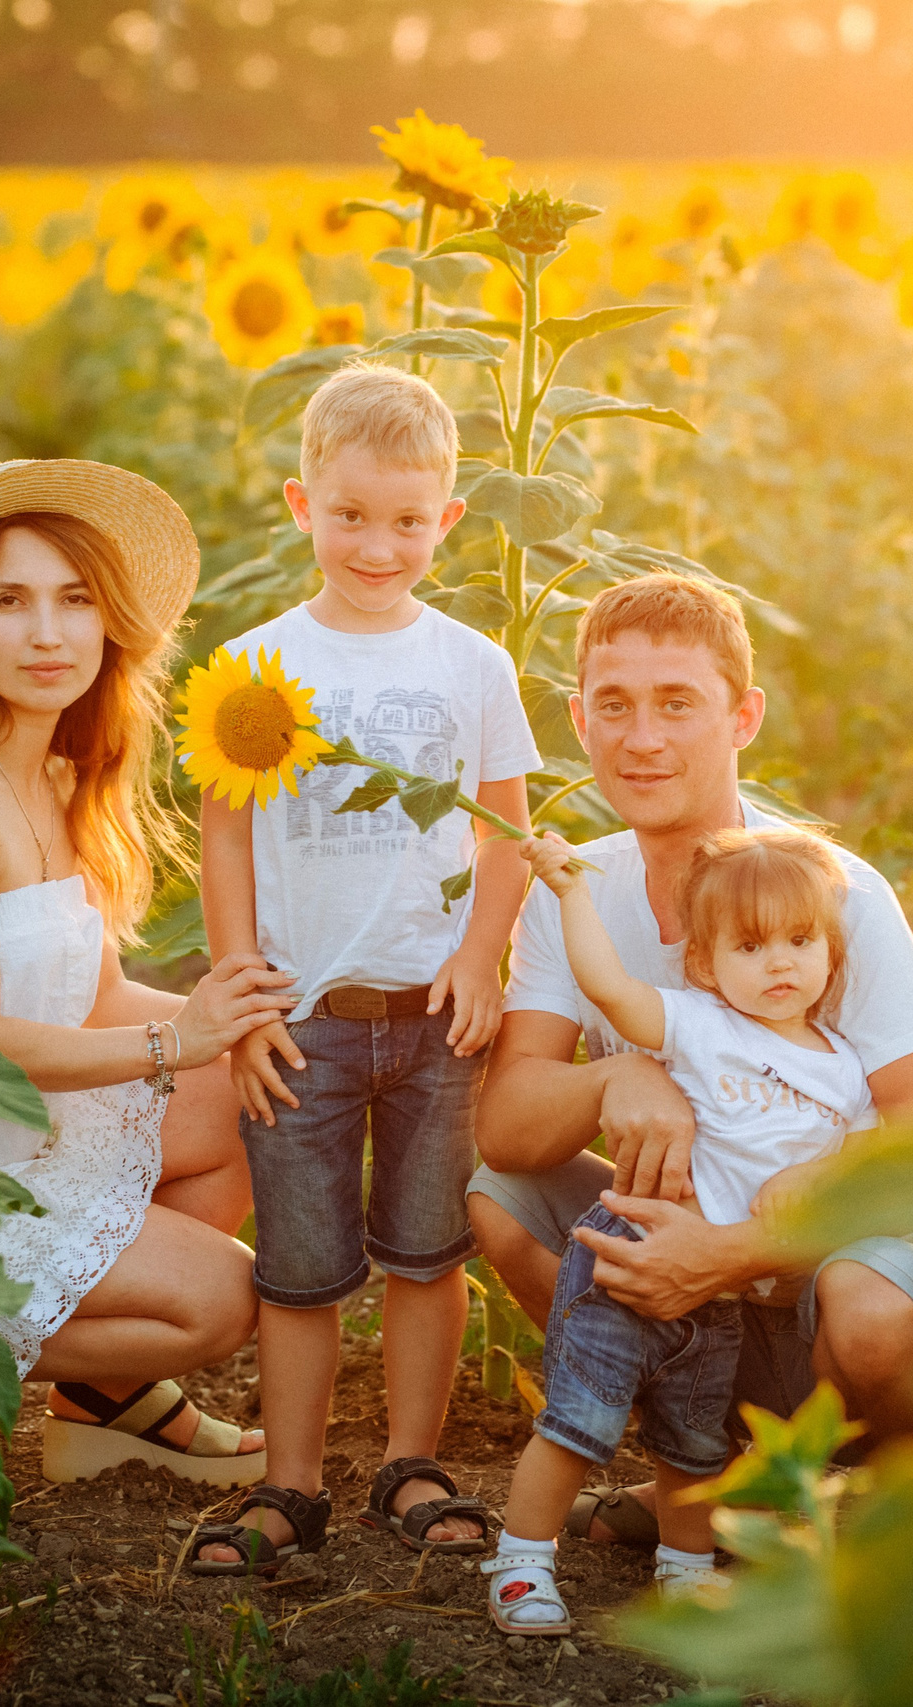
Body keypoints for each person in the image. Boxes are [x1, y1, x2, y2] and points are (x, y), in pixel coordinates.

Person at [467, 573, 913, 1552]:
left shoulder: (820, 892)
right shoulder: (573, 892)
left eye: (677, 703)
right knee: (502, 1200)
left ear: (742, 717)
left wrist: (723, 1258)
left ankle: (901, 1513)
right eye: (615, 705)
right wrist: (614, 1076)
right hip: (726, 1309)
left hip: (880, 1309)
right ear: (579, 720)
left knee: (868, 1305)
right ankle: (709, 1472)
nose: (642, 738)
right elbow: (509, 1125)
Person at [0, 459, 296, 1487]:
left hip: (8, 1126)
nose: (47, 633)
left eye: (74, 600)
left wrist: (230, 1026)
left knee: (249, 1085)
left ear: (109, 625)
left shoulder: (48, 775)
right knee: (221, 1299)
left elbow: (86, 998)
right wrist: (171, 1044)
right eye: (11, 602)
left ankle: (102, 1396)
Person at [187, 363, 542, 1575]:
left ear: (446, 520)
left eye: (405, 521)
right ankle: (290, 1483)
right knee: (298, 1269)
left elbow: (505, 828)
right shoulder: (253, 664)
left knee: (425, 1252)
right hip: (304, 1015)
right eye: (349, 515)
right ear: (301, 506)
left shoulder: (472, 665)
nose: (376, 545)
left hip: (435, 1014)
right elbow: (226, 830)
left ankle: (409, 1459)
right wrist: (238, 989)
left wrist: (482, 959)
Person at [481, 826, 873, 1633]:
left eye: (801, 941)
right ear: (705, 963)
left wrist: (818, 1175)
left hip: (716, 1290)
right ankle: (521, 1560)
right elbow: (610, 985)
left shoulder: (843, 1068)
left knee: (692, 1444)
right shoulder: (698, 1021)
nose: (779, 963)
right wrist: (572, 892)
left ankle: (687, 1573)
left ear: (832, 952)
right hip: (628, 1260)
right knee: (578, 1421)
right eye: (752, 944)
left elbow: (871, 1151)